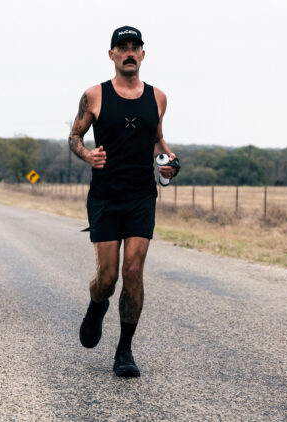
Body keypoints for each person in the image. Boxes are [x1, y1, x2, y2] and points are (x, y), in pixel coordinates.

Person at [68, 26, 178, 377]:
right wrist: (87, 155)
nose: (129, 53)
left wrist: (169, 160)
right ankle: (96, 306)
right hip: (105, 196)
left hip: (141, 196)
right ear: (112, 54)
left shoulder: (158, 97)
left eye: (135, 47)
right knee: (107, 277)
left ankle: (124, 351)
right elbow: (74, 135)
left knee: (133, 271)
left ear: (143, 54)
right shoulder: (94, 95)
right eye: (122, 47)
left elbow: (158, 140)